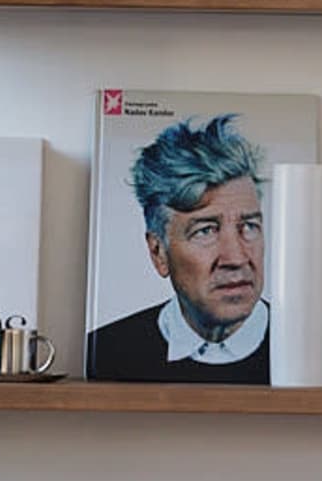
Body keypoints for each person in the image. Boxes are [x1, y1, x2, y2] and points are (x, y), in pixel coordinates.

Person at [86, 112, 271, 382]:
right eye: (205, 230)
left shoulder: (308, 346)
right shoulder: (105, 353)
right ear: (158, 252)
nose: (236, 258)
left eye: (249, 227)